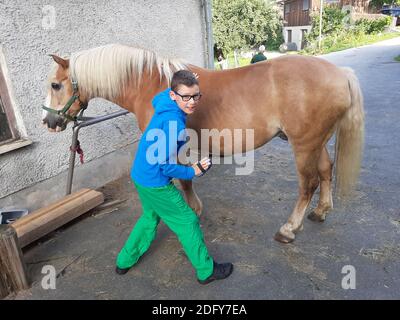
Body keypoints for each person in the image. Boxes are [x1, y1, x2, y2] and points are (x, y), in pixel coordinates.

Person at [115, 70, 234, 285]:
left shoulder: (164, 102)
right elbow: (165, 165)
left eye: (196, 95)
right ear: (173, 95)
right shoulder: (174, 124)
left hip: (140, 175)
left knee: (149, 217)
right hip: (155, 182)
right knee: (188, 221)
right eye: (185, 97)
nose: (192, 102)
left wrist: (186, 81)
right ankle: (206, 271)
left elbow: (157, 95)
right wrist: (193, 171)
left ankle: (124, 260)